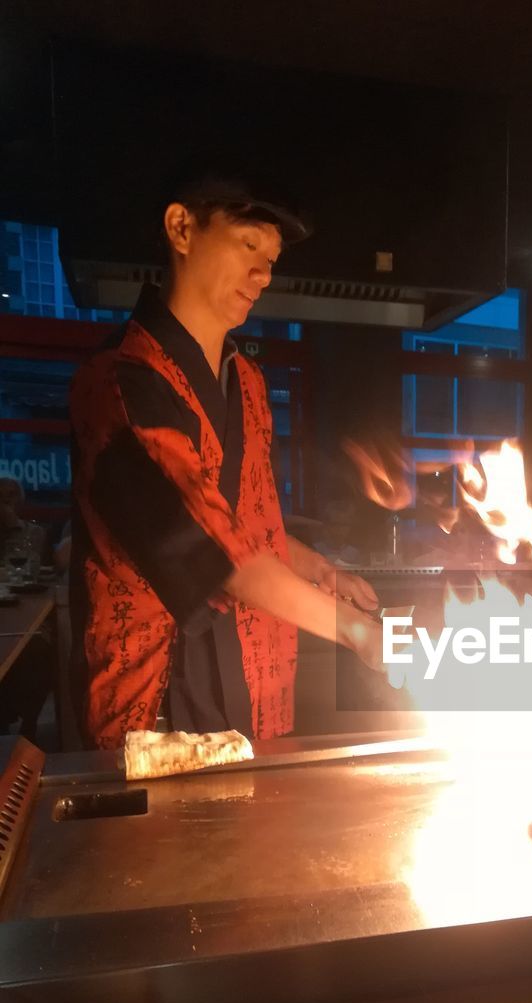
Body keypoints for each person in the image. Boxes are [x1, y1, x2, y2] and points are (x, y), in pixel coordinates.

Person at [69, 171, 382, 750]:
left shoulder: (249, 382)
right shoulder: (119, 384)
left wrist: (321, 570)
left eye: (272, 257)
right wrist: (358, 631)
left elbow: (246, 525)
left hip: (254, 685)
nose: (264, 273)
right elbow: (215, 552)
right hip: (156, 704)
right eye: (248, 245)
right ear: (181, 228)